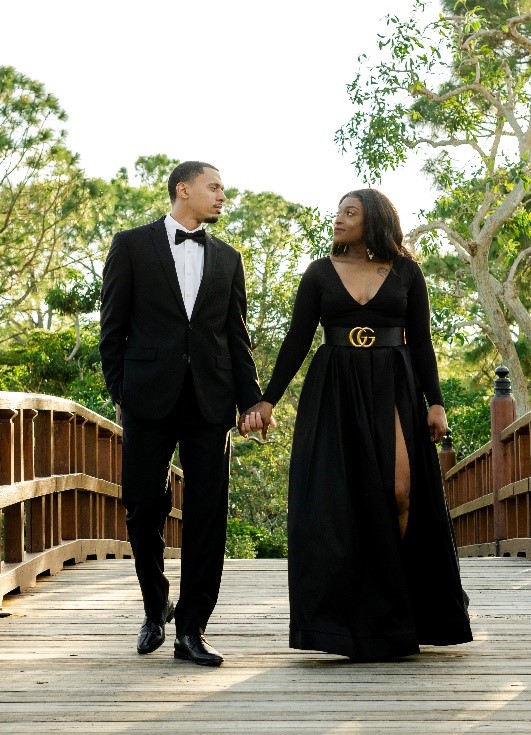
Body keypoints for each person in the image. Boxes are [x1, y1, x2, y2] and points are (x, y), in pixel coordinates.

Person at [241, 189, 473, 662]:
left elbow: (423, 343)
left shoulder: (408, 271)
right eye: (339, 211)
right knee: (337, 504)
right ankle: (351, 622)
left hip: (395, 385)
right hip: (335, 389)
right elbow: (297, 340)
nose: (339, 218)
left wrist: (437, 403)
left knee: (402, 491)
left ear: (376, 221)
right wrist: (267, 400)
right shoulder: (319, 273)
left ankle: (399, 607)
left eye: (351, 212)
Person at [99, 161, 262, 666]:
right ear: (183, 190)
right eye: (214, 188)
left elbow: (236, 335)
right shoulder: (131, 246)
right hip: (147, 399)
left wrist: (251, 398)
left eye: (223, 191)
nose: (221, 198)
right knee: (145, 506)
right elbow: (113, 327)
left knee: (208, 516)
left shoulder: (229, 258)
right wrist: (121, 391)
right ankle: (155, 604)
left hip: (211, 402)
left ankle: (192, 630)